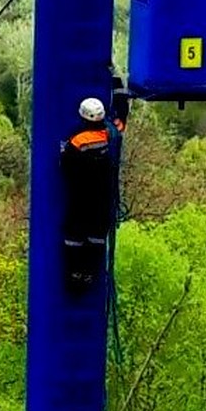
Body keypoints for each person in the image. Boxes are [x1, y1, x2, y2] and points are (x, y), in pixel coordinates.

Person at [60, 89, 128, 289]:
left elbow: (65, 166)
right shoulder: (111, 135)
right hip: (104, 199)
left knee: (74, 237)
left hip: (81, 198)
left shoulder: (77, 142)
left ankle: (74, 274)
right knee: (97, 238)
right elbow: (121, 122)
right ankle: (90, 274)